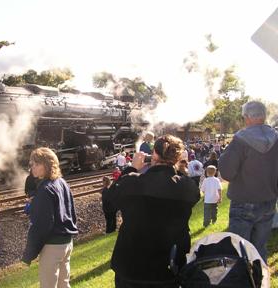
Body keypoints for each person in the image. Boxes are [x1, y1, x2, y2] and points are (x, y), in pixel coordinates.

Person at [106, 135, 200, 287]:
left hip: (131, 266)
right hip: (169, 266)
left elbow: (109, 200)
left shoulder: (132, 182)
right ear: (177, 157)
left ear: (154, 155)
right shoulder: (187, 187)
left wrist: (132, 167)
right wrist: (178, 167)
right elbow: (192, 191)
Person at [219, 101, 278, 262]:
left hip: (243, 201)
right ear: (264, 116)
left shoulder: (240, 140)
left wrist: (223, 157)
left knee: (239, 250)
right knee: (260, 249)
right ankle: (260, 282)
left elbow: (227, 173)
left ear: (246, 117)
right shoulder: (276, 138)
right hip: (269, 200)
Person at [22, 147, 78, 288]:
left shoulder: (44, 189)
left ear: (46, 165)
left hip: (53, 245)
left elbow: (42, 225)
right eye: (32, 164)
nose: (32, 167)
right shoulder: (62, 183)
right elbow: (71, 211)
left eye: (36, 164)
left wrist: (29, 253)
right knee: (63, 284)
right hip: (67, 242)